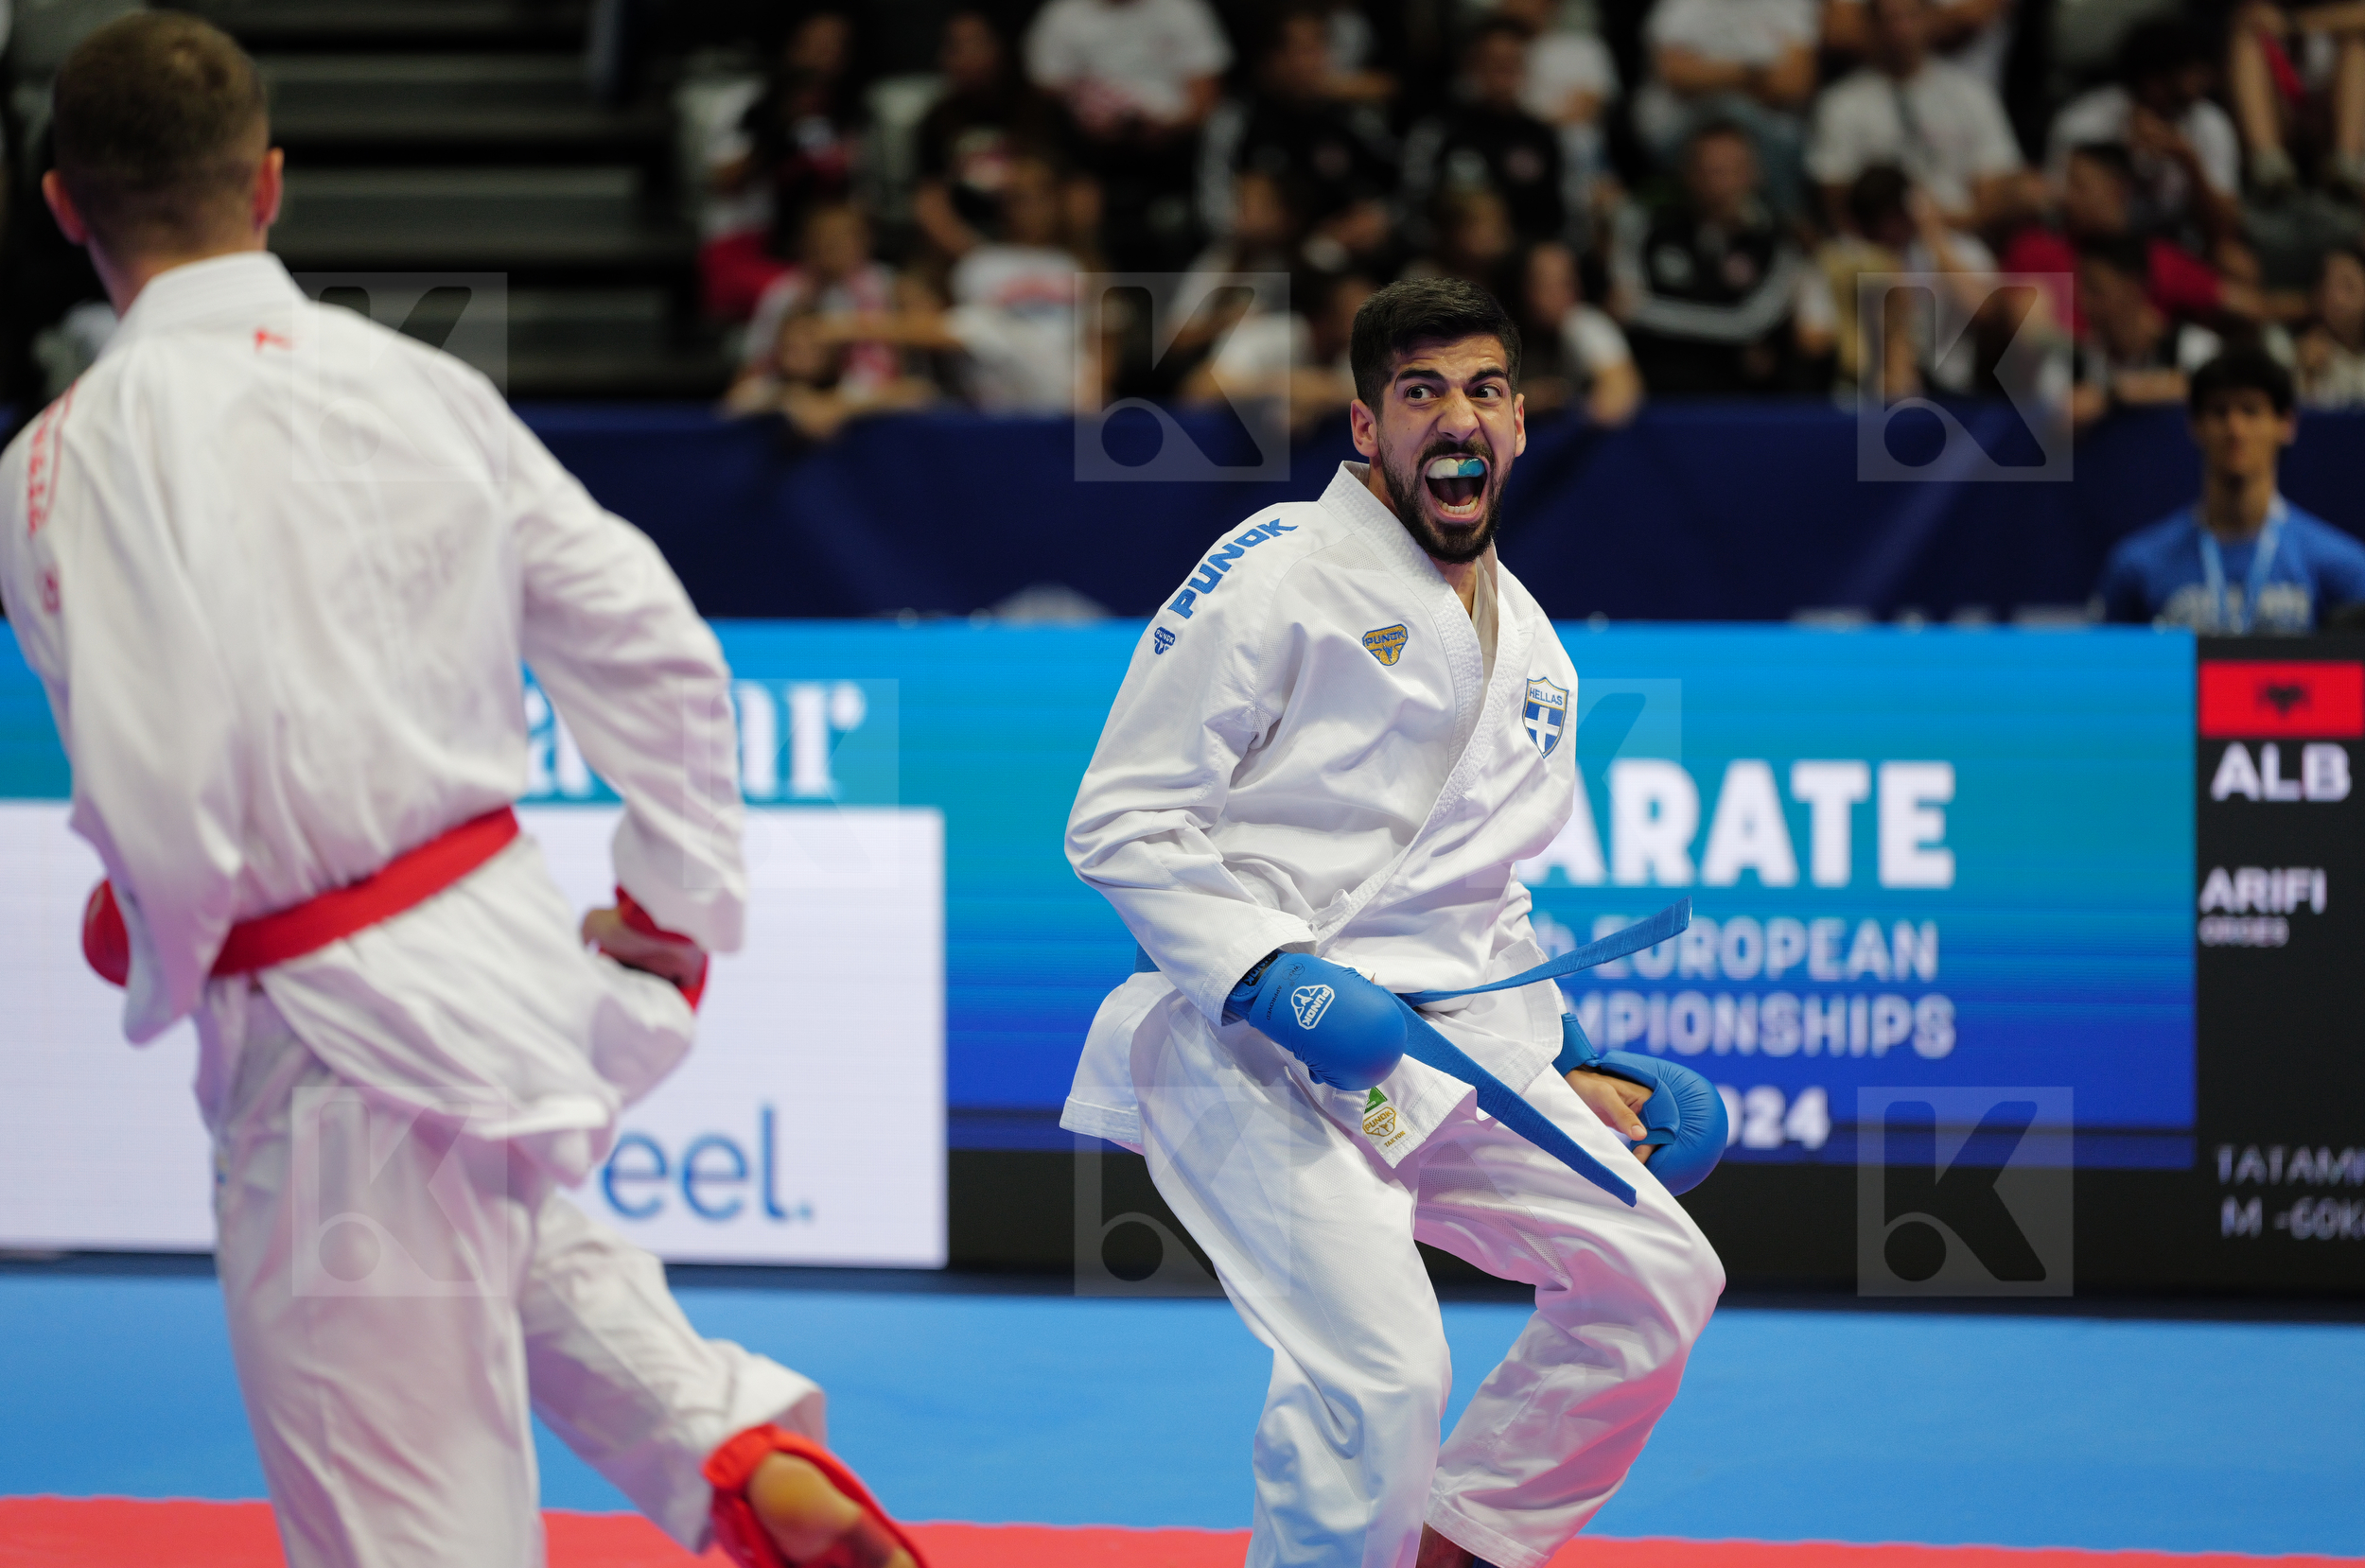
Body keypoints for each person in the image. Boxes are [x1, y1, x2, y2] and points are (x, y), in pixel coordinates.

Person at [0, 16, 926, 1568]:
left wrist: (154, 940)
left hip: (317, 1027)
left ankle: (723, 1451)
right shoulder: (423, 387)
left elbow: (162, 784)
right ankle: (732, 1447)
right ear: (268, 183)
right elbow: (654, 647)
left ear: (60, 206)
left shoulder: (64, 455)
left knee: (400, 1519)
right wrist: (671, 912)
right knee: (491, 1238)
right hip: (502, 969)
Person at [1061, 275, 1724, 1568]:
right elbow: (1120, 819)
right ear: (1366, 426)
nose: (1455, 417)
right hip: (1243, 1046)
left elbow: (1485, 894)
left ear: (1519, 423)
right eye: (1420, 393)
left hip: (1433, 1048)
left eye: (1483, 390)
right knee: (1381, 1374)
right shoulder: (1274, 569)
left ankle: (1446, 1546)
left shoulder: (1536, 650)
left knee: (1657, 1274)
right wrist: (1269, 976)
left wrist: (1568, 1054)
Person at [2096, 347, 2365, 630]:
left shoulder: (2339, 566)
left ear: (2286, 424)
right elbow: (2105, 656)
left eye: (2251, 411)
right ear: (2195, 426)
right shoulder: (2138, 567)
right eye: (2219, 412)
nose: (2235, 429)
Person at [1614, 119, 1836, 394]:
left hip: (1746, 401)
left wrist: (1664, 323)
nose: (1720, 182)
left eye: (1732, 170)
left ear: (1754, 174)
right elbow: (1627, 311)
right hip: (1660, 392)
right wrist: (1734, 344)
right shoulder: (1650, 235)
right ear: (1687, 174)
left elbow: (1752, 322)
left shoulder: (1782, 245)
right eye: (1709, 170)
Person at [1804, 0, 2031, 233]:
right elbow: (1836, 199)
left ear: (1931, 19)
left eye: (1910, 17)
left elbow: (1996, 186)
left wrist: (1943, 227)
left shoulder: (1972, 95)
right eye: (1890, 19)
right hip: (1877, 241)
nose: (1901, 30)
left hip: (1960, 235)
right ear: (1870, 25)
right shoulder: (1841, 104)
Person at [2044, 19, 2244, 256]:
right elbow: (2056, 210)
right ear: (2153, 80)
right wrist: (2124, 163)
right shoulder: (2083, 122)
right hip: (2098, 248)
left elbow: (2225, 230)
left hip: (2177, 249)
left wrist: (2188, 161)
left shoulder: (2209, 123)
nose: (2205, 80)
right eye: (2192, 72)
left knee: (2235, 260)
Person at [1630, 0, 1819, 214]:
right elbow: (1678, 75)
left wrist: (1711, 73)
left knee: (1760, 124)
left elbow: (1793, 84)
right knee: (1731, 113)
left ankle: (1785, 222)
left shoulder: (1788, 5)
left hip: (1767, 126)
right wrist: (1754, 74)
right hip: (1685, 123)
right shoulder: (1681, 6)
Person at [1402, 18, 1570, 246]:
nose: (1503, 73)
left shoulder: (1543, 137)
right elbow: (1411, 205)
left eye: (1512, 63)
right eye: (1494, 62)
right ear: (1472, 65)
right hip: (1448, 255)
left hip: (1525, 256)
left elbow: (1562, 219)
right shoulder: (1438, 131)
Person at [2070, 233, 2224, 427]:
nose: (2083, 303)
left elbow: (2220, 392)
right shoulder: (2082, 362)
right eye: (2081, 290)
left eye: (2095, 290)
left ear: (2133, 287)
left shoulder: (2196, 347)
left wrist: (2114, 393)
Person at [1515, 238, 1644, 423]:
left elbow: (1619, 393)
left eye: (1565, 283)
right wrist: (1529, 400)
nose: (1557, 294)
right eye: (1545, 283)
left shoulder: (1583, 323)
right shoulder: (1497, 328)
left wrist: (1569, 410)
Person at [2295, 241, 2365, 406]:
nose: (2337, 298)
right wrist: (2308, 376)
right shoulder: (2303, 354)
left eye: (2348, 286)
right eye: (2328, 286)